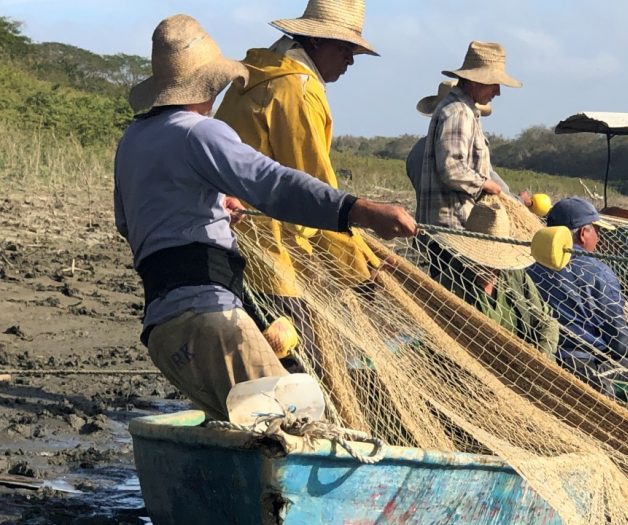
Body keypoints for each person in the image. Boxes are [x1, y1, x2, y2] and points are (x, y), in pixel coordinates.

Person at [113, 14, 416, 421]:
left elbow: (130, 224)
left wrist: (215, 209)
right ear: (211, 82)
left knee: (245, 432)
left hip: (163, 332)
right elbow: (275, 184)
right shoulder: (201, 132)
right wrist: (357, 210)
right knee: (299, 423)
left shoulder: (133, 139)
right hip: (211, 321)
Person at [213, 0, 386, 363]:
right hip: (270, 254)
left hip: (224, 241)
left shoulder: (257, 74)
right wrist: (357, 269)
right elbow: (314, 190)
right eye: (345, 48)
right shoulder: (297, 90)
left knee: (251, 358)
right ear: (317, 42)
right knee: (298, 361)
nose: (350, 60)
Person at [526, 198, 628, 436]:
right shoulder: (599, 272)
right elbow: (622, 347)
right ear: (583, 234)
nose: (599, 239)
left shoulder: (531, 269)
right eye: (597, 231)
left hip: (546, 362)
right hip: (590, 370)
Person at [428, 198, 558, 357]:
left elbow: (546, 323)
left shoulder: (514, 275)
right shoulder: (449, 285)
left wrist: (540, 358)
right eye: (481, 256)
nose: (488, 265)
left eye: (493, 257)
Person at [416, 41, 522, 229]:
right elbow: (452, 168)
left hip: (448, 224)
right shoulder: (459, 112)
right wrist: (486, 184)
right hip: (452, 226)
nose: (497, 92)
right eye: (494, 84)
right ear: (475, 80)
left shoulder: (462, 110)